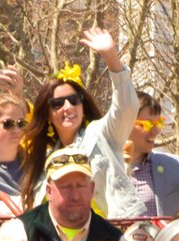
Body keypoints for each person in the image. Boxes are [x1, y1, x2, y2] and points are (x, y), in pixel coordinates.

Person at [21, 28, 141, 218]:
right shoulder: (44, 162)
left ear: (82, 104)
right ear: (48, 115)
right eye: (58, 103)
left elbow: (126, 107)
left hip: (116, 237)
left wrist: (111, 57)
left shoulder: (102, 134)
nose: (68, 107)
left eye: (74, 99)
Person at [125, 91, 179, 217]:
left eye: (158, 123)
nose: (156, 132)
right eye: (149, 123)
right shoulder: (98, 168)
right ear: (124, 123)